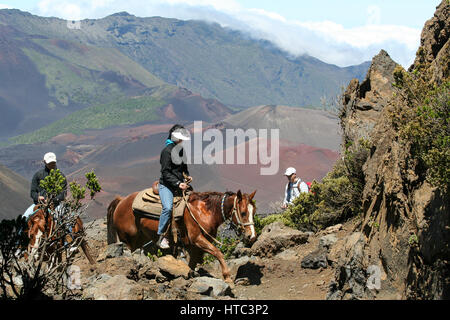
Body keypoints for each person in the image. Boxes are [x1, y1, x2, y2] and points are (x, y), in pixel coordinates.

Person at [156, 125, 192, 249]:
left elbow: (184, 168)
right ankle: (161, 236)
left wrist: (187, 176)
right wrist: (178, 183)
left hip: (180, 185)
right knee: (167, 208)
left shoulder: (181, 150)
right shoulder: (166, 151)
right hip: (166, 186)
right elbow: (165, 172)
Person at [23, 152, 67, 219]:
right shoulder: (38, 175)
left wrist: (53, 200)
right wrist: (38, 197)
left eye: (53, 163)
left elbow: (63, 194)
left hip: (56, 205)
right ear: (44, 162)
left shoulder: (60, 176)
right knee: (24, 217)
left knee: (65, 221)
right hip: (39, 204)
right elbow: (32, 192)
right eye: (49, 163)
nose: (51, 164)